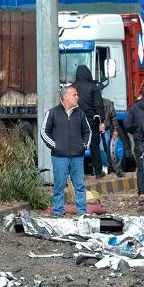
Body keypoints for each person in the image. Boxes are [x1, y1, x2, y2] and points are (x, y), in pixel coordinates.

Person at [40, 86, 90, 216]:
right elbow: (44, 131)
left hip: (77, 157)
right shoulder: (52, 113)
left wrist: (84, 146)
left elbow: (88, 131)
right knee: (59, 186)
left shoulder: (80, 113)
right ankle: (57, 212)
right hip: (59, 157)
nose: (77, 97)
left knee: (79, 186)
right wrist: (55, 146)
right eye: (75, 94)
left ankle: (82, 213)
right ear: (65, 97)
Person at [71, 65, 105, 176]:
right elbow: (99, 106)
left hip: (75, 121)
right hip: (91, 121)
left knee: (77, 147)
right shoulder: (93, 87)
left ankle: (78, 173)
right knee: (94, 146)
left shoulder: (71, 88)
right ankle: (98, 172)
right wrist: (102, 121)